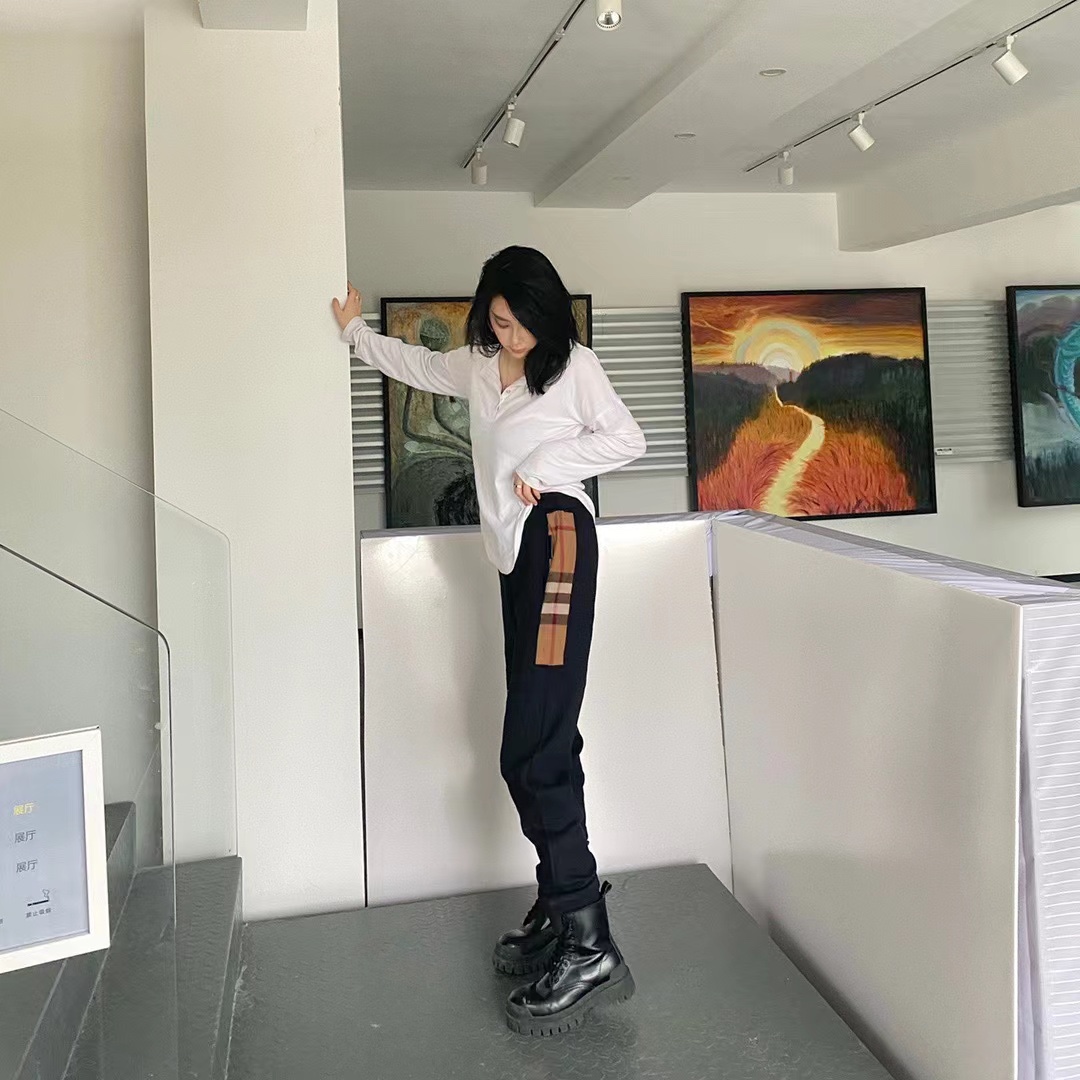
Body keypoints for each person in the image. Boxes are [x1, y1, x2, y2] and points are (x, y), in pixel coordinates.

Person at [333, 246, 647, 1036]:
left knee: (534, 748)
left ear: (548, 317)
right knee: (538, 743)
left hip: (560, 539)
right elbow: (414, 365)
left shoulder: (575, 368)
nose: (512, 336)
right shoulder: (477, 365)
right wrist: (354, 333)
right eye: (501, 321)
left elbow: (627, 439)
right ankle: (563, 901)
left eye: (523, 323)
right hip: (516, 556)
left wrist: (550, 456)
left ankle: (589, 941)